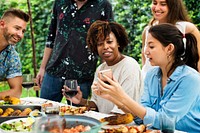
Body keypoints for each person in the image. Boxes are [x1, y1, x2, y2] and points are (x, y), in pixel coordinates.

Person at [94, 23, 200, 132]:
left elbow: (165, 121)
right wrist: (112, 97)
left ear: (169, 48)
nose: (145, 51)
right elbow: (141, 117)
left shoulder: (190, 79)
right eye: (145, 46)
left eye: (151, 46)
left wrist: (122, 96)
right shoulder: (152, 76)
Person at [36, 0, 114, 102]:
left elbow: (107, 41)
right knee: (44, 112)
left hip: (82, 75)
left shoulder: (103, 5)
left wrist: (105, 72)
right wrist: (42, 68)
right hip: (54, 71)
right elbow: (51, 36)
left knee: (78, 115)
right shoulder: (60, 2)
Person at [62, 20, 143, 114]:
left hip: (125, 125)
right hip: (105, 123)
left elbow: (126, 110)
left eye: (109, 42)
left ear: (118, 43)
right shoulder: (101, 69)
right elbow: (97, 105)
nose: (105, 47)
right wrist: (81, 101)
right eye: (100, 44)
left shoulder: (129, 66)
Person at [141, 0, 200, 78]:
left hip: (179, 81)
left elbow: (198, 59)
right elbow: (144, 59)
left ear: (173, 6)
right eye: (154, 3)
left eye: (163, 4)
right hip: (150, 81)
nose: (157, 8)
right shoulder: (148, 30)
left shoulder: (187, 28)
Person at [0, 8, 30, 99]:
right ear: (2, 24)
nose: (20, 35)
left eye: (23, 31)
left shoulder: (12, 56)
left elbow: (16, 92)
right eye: (17, 28)